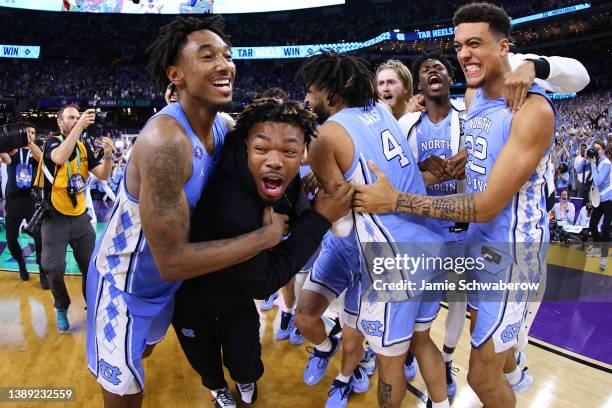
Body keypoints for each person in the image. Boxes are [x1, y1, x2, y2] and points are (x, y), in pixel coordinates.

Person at [352, 3, 557, 406]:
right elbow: (484, 158)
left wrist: (398, 200)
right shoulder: (477, 96)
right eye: (460, 45)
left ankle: (512, 369)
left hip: (515, 254)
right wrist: (465, 160)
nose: (463, 54)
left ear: (504, 47)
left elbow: (485, 206)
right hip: (479, 248)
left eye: (475, 44)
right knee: (487, 353)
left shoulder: (533, 110)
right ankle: (514, 369)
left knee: (481, 377)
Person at [85, 16, 286, 408]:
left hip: (167, 288)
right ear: (175, 74)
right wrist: (266, 237)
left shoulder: (224, 127)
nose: (225, 64)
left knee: (141, 353)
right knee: (125, 394)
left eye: (227, 56)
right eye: (207, 56)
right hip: (124, 286)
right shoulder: (165, 142)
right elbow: (173, 260)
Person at [173, 99, 352, 407]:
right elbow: (262, 283)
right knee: (203, 357)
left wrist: (294, 220)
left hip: (234, 294)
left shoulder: (278, 173)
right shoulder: (233, 205)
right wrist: (320, 218)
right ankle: (217, 388)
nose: (275, 161)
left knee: (245, 358)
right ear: (245, 147)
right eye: (262, 149)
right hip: (191, 294)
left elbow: (286, 213)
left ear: (303, 155)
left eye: (289, 151)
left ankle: (244, 380)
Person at [296, 50, 443, 408]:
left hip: (392, 259)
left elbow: (343, 224)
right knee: (422, 342)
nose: (305, 100)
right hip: (429, 243)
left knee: (388, 360)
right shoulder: (378, 110)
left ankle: (346, 368)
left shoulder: (323, 137)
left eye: (311, 92)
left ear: (331, 94)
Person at [33, 104, 113, 331]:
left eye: (78, 117)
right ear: (60, 122)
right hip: (54, 217)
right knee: (52, 268)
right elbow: (59, 158)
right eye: (70, 117)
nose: (76, 120)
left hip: (80, 218)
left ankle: (93, 305)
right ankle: (61, 305)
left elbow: (103, 174)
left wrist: (108, 156)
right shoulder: (52, 142)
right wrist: (79, 127)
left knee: (91, 267)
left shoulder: (83, 146)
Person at [0, 122, 47, 287]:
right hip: (13, 199)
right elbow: (4, 158)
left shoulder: (37, 148)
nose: (30, 134)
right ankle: (21, 263)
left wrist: (29, 142)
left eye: (33, 132)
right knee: (11, 238)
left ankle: (43, 273)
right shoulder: (12, 149)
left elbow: (41, 158)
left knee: (40, 238)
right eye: (27, 132)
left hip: (31, 199)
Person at [587, 139, 611, 270]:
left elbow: (597, 182)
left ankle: (604, 258)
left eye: (598, 149)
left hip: (609, 200)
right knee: (592, 225)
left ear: (602, 150)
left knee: (605, 228)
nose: (596, 151)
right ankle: (597, 247)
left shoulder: (606, 163)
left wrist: (591, 164)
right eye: (594, 148)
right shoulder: (595, 161)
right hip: (599, 199)